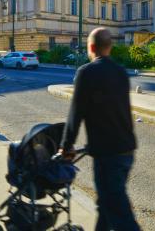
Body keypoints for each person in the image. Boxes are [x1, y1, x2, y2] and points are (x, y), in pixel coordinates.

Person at [59, 27, 140, 231]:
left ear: (92, 47)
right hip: (127, 150)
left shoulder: (87, 72)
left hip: (107, 154)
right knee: (106, 204)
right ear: (110, 47)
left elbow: (75, 114)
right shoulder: (121, 72)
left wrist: (66, 146)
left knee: (121, 215)